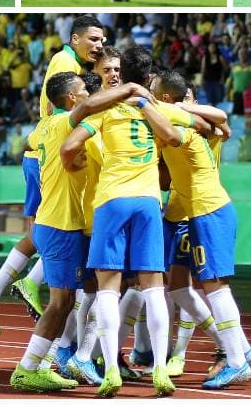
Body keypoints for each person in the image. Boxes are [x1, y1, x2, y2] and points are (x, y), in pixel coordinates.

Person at [59, 47, 195, 397]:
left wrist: (74, 165)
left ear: (120, 75)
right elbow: (178, 136)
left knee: (108, 289)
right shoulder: (154, 106)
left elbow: (70, 143)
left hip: (111, 201)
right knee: (153, 287)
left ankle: (109, 372)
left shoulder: (104, 109)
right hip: (149, 201)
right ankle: (161, 369)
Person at [9, 73, 152, 392]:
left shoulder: (43, 126)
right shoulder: (63, 124)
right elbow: (89, 106)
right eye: (83, 90)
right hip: (61, 225)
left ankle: (50, 362)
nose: (88, 93)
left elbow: (34, 144)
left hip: (53, 222)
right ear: (72, 99)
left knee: (72, 298)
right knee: (60, 303)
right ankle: (28, 367)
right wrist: (128, 89)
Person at [0, 16, 104, 327]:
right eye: (93, 40)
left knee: (44, 229)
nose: (98, 47)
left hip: (42, 148)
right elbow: (62, 105)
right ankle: (28, 287)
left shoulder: (71, 63)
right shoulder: (65, 63)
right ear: (74, 39)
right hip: (53, 152)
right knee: (59, 226)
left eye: (102, 42)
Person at [151, 72, 251, 388]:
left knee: (215, 287)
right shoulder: (185, 123)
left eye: (154, 92)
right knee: (206, 285)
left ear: (168, 100)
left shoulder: (182, 129)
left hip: (209, 211)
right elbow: (220, 125)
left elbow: (219, 123)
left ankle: (236, 360)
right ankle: (240, 352)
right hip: (200, 212)